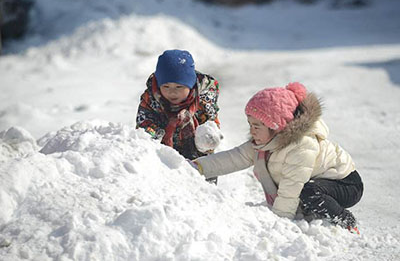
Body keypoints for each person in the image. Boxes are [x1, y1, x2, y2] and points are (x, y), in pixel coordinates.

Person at [192, 82, 363, 233]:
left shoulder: (301, 145)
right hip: (321, 184)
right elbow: (233, 158)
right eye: (250, 125)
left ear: (276, 126)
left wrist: (280, 225)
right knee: (307, 192)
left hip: (346, 183)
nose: (252, 131)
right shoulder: (262, 143)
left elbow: (291, 188)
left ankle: (345, 220)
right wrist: (196, 168)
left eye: (257, 126)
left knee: (308, 193)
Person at [136, 49, 222, 183]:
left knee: (203, 180)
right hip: (164, 155)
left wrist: (208, 136)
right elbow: (143, 123)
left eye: (179, 87)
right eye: (166, 86)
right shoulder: (151, 98)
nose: (172, 93)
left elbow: (211, 122)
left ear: (190, 85)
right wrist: (152, 135)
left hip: (198, 153)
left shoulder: (203, 99)